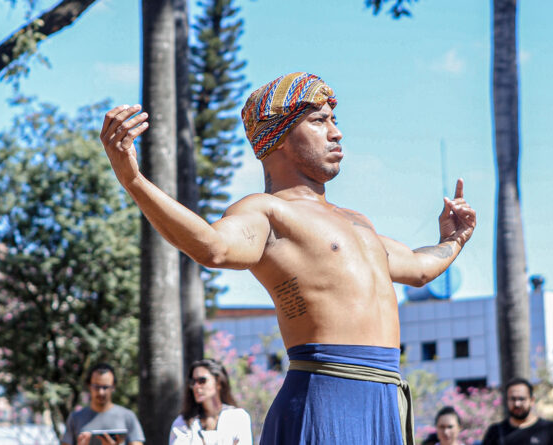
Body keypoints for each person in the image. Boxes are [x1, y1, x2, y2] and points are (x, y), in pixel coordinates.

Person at [100, 72, 476, 445]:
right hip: (324, 394)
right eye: (319, 120)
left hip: (384, 400)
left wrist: (453, 241)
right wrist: (133, 179)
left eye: (334, 119)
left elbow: (418, 267)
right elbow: (212, 246)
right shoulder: (267, 212)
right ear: (277, 136)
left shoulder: (358, 223)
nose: (336, 132)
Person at [169, 359, 252, 445]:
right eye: (193, 382)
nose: (196, 386)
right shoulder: (183, 423)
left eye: (202, 381)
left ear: (218, 383)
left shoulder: (238, 417)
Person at [62, 363, 145, 445]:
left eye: (105, 387)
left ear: (113, 387)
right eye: (96, 386)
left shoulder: (128, 417)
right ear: (89, 386)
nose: (101, 392)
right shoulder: (75, 418)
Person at [481, 377, 553, 445]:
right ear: (507, 401)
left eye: (521, 399)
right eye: (513, 399)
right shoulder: (495, 432)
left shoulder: (550, 429)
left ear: (532, 400)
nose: (517, 404)